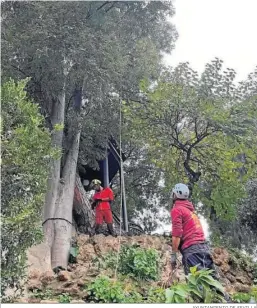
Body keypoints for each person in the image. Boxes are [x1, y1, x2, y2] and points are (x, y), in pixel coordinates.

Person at [170, 183, 216, 275]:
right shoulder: (191, 212)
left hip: (192, 251)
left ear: (175, 194)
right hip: (204, 249)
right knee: (213, 284)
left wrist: (174, 256)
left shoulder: (177, 209)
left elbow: (177, 234)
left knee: (195, 285)